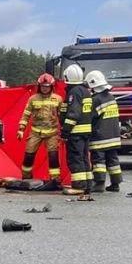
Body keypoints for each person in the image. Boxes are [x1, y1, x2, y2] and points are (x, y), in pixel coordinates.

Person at [18, 73, 63, 190]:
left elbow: (62, 116)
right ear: (39, 86)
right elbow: (26, 115)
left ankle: (55, 180)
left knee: (53, 157)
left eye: (47, 86)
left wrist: (63, 131)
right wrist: (21, 129)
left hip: (52, 133)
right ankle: (26, 179)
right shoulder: (33, 99)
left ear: (52, 86)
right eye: (43, 86)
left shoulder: (58, 99)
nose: (45, 88)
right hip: (35, 132)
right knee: (29, 155)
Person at [85, 70, 123, 192]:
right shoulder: (111, 97)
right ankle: (115, 184)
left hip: (100, 137)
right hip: (114, 135)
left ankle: (99, 183)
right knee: (113, 161)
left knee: (98, 161)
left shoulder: (95, 100)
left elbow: (90, 117)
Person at [59, 65, 94, 196]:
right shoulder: (85, 90)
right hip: (85, 132)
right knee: (84, 158)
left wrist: (65, 132)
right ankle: (87, 184)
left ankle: (79, 186)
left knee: (75, 159)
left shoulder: (74, 92)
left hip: (76, 133)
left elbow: (73, 114)